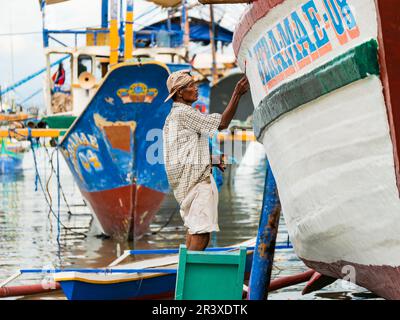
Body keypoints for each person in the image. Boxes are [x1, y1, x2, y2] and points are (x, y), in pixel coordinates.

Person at [162, 70, 249, 251]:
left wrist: (212, 159)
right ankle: (191, 276)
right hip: (196, 183)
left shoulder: (173, 117)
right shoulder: (184, 113)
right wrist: (237, 94)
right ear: (179, 92)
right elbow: (223, 124)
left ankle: (187, 270)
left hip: (186, 184)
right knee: (202, 231)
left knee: (195, 229)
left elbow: (181, 154)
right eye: (192, 86)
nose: (196, 89)